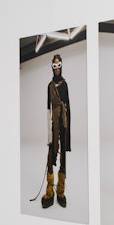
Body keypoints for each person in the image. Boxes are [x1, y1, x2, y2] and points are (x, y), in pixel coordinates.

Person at [42, 54, 71, 208]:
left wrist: (68, 132)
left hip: (64, 123)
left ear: (61, 66)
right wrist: (49, 133)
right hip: (54, 124)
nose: (57, 68)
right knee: (51, 154)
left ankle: (60, 191)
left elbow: (68, 107)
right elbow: (48, 109)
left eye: (59, 65)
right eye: (54, 65)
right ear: (52, 67)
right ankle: (50, 190)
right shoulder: (49, 86)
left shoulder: (65, 85)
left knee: (63, 157)